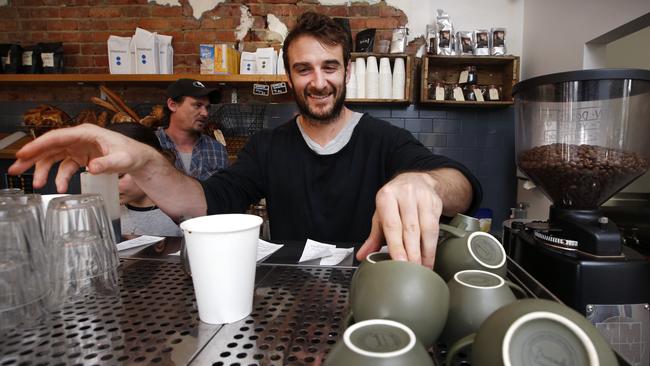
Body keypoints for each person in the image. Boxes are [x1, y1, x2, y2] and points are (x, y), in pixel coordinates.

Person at [9, 12, 482, 268]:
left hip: (372, 293)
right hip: (290, 297)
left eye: (329, 67)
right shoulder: (268, 148)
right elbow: (204, 203)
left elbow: (463, 186)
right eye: (304, 69)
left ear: (347, 72)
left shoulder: (385, 141)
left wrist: (427, 184)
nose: (318, 82)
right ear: (289, 77)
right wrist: (144, 161)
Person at [106, 122, 182, 237]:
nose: (109, 186)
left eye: (119, 176)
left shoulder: (180, 213)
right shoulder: (108, 213)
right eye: (105, 177)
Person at [157, 78, 229, 180]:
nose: (205, 113)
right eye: (197, 105)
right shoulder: (150, 144)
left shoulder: (217, 150)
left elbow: (223, 193)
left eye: (207, 107)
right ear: (172, 105)